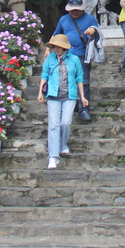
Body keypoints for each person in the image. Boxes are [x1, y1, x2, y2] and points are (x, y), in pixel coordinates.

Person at [37, 34, 88, 169]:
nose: (56, 49)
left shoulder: (74, 59)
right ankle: (53, 157)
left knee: (65, 123)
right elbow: (44, 75)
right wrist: (40, 92)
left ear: (65, 47)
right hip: (53, 96)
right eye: (55, 46)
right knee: (53, 125)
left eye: (59, 47)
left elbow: (79, 78)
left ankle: (63, 144)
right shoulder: (50, 59)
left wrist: (82, 96)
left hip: (69, 96)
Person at [51, 0, 99, 123]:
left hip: (83, 55)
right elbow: (56, 35)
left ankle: (84, 109)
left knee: (84, 82)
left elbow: (99, 32)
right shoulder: (63, 19)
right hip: (67, 56)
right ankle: (70, 106)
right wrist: (47, 51)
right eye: (72, 10)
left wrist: (93, 30)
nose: (75, 12)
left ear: (82, 8)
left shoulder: (90, 19)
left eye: (77, 9)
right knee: (66, 81)